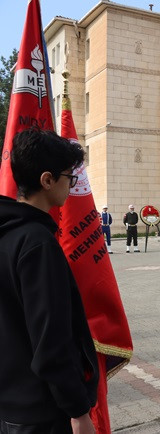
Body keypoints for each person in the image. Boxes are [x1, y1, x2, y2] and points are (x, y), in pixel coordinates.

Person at [0, 128, 98, 433]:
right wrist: (79, 412)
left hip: (9, 405)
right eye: (68, 177)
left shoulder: (7, 233)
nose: (72, 184)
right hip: (41, 413)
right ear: (47, 180)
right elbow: (51, 342)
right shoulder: (37, 243)